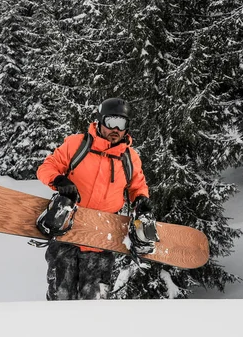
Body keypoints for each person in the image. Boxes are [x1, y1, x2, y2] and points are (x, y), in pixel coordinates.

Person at [36, 97, 156, 300]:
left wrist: (141, 200)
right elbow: (46, 167)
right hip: (67, 235)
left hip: (101, 241)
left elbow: (137, 185)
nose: (116, 129)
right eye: (111, 122)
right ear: (100, 121)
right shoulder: (77, 144)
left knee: (94, 306)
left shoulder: (129, 157)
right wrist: (59, 180)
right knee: (60, 300)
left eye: (122, 124)